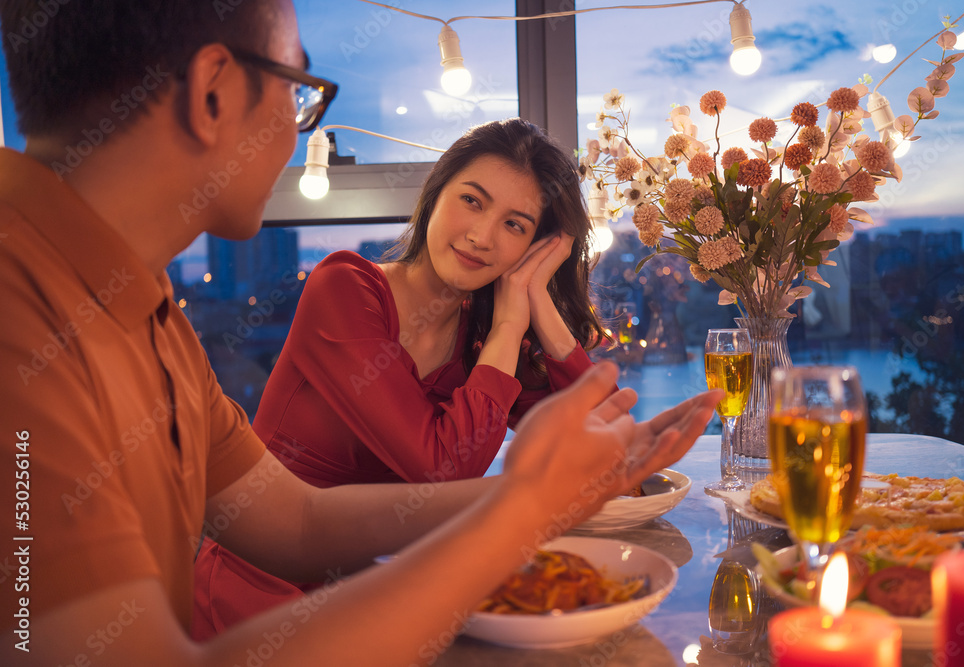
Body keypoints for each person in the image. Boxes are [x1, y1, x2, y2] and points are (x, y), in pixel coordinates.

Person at [0, 1, 721, 664]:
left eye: (515, 225)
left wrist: (550, 491)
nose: (296, 128)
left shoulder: (148, 310)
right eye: (298, 92)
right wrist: (526, 504)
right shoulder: (20, 322)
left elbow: (299, 519)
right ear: (213, 90)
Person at [192, 118, 612, 636]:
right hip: (263, 595)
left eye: (515, 225)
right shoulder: (344, 289)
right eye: (473, 201)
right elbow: (440, 472)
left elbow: (599, 433)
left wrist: (537, 301)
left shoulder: (482, 338)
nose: (481, 236)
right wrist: (509, 323)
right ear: (435, 194)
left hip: (385, 593)